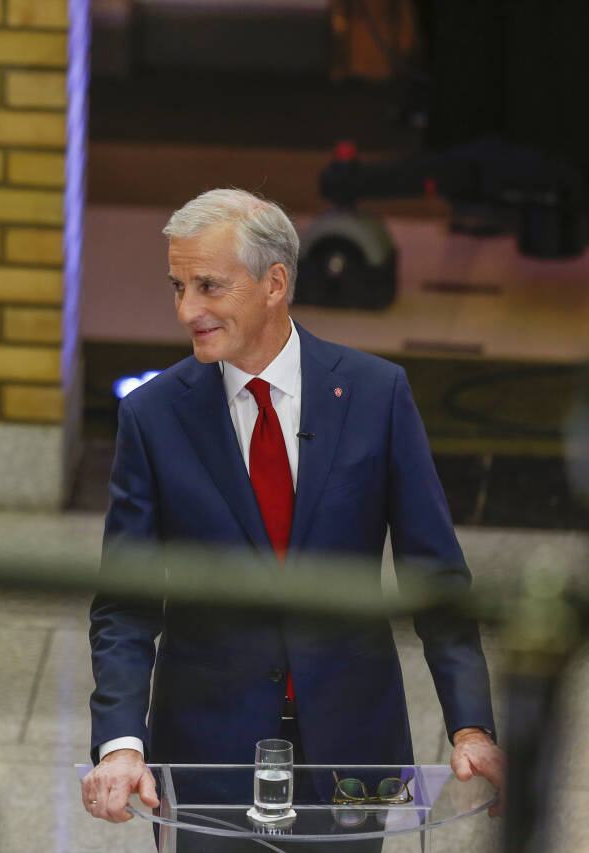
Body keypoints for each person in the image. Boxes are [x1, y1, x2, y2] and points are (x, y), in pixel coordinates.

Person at [81, 190, 504, 843]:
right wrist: (119, 741)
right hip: (205, 751)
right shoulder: (153, 416)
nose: (186, 309)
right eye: (177, 286)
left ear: (274, 283)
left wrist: (471, 724)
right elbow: (126, 605)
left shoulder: (376, 395)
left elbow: (437, 578)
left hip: (353, 749)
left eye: (207, 285)